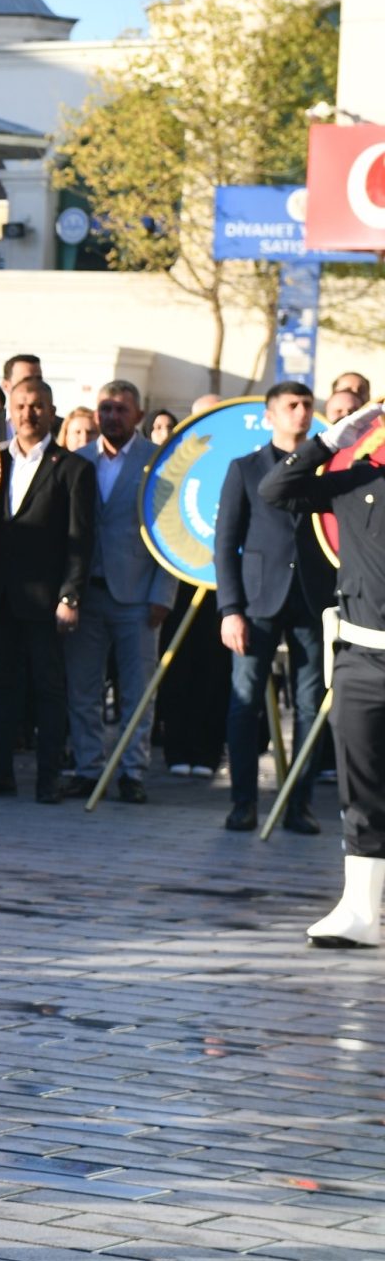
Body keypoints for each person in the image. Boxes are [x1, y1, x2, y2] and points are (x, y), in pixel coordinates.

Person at [261, 401, 385, 946]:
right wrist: (328, 442)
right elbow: (276, 490)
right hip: (362, 655)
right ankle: (360, 910)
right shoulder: (357, 479)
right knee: (361, 788)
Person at [0, 378, 95, 804]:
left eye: (36, 406)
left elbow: (81, 539)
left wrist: (70, 596)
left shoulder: (73, 468)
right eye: (19, 406)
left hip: (47, 601)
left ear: (51, 410)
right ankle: (0, 771)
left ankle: (48, 778)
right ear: (9, 411)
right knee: (0, 687)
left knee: (48, 690)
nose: (27, 414)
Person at [214, 381, 331, 835]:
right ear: (270, 415)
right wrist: (230, 609)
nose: (301, 413)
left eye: (307, 406)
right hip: (257, 600)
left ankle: (297, 804)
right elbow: (225, 544)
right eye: (291, 406)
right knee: (245, 704)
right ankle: (243, 802)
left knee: (309, 704)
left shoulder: (325, 470)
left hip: (312, 599)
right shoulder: (244, 469)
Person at [63, 380, 169, 804]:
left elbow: (169, 532)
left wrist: (164, 593)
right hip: (86, 594)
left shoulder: (158, 462)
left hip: (140, 597)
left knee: (137, 691)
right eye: (105, 409)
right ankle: (88, 769)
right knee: (83, 689)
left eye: (121, 410)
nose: (112, 416)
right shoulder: (77, 460)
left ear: (139, 416)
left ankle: (131, 772)